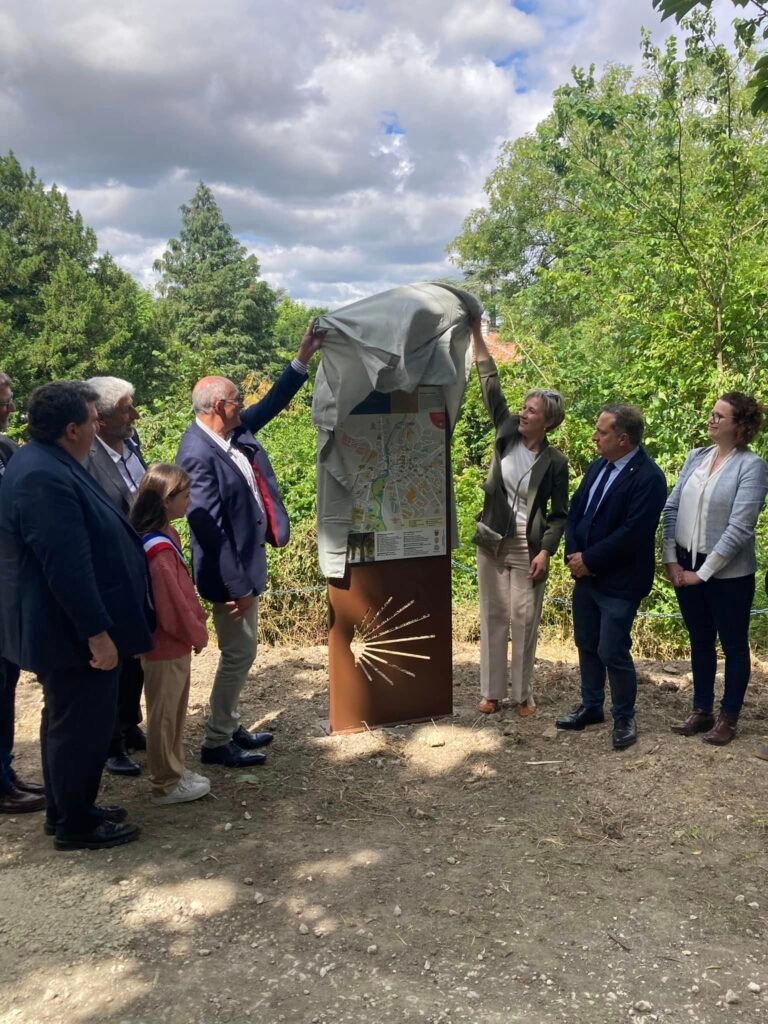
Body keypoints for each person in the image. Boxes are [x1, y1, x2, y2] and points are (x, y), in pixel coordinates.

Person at [0, 382, 154, 849]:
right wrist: (97, 634)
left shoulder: (48, 460)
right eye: (91, 420)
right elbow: (65, 566)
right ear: (72, 429)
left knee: (69, 721)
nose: (97, 427)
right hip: (69, 633)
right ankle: (75, 823)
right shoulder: (42, 475)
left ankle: (68, 807)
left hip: (66, 629)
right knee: (79, 725)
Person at [176, 323, 322, 767]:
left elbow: (273, 402)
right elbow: (208, 529)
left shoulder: (230, 432)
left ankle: (230, 722)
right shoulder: (196, 453)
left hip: (244, 567)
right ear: (220, 406)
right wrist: (237, 586)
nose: (243, 405)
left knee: (244, 651)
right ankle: (217, 742)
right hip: (229, 576)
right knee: (239, 653)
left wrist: (304, 356)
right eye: (237, 400)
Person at [470, 322, 568, 716]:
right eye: (524, 408)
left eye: (533, 411)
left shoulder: (555, 462)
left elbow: (560, 516)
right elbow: (490, 385)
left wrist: (546, 552)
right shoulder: (506, 431)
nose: (524, 413)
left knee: (524, 619)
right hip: (493, 539)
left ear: (548, 422)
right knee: (494, 614)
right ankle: (492, 693)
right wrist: (478, 337)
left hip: (529, 547)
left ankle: (523, 694)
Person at [556, 405, 666, 750]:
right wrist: (574, 555)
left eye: (602, 432)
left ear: (623, 439)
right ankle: (591, 706)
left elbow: (634, 532)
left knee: (612, 649)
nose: (595, 437)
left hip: (619, 580)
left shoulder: (648, 477)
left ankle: (623, 717)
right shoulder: (597, 467)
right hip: (585, 575)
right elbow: (575, 511)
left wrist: (591, 559)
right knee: (586, 643)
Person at [663, 393, 768, 745]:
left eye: (719, 416)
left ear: (740, 426)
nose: (711, 420)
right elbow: (671, 508)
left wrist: (703, 573)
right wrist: (671, 558)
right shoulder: (696, 457)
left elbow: (740, 528)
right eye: (711, 413)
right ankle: (701, 710)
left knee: (734, 645)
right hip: (685, 563)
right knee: (699, 639)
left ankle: (728, 716)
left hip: (728, 575)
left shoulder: (751, 467)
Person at [130, 464, 211, 804]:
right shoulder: (158, 549)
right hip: (165, 644)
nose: (190, 500)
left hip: (173, 643)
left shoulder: (165, 537)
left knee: (175, 710)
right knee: (164, 713)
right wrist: (197, 633)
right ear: (166, 500)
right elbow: (172, 605)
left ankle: (175, 768)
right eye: (185, 494)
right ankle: (166, 781)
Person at [85, 376, 148, 776]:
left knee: (137, 652)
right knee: (116, 659)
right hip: (109, 571)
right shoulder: (87, 459)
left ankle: (129, 724)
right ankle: (111, 744)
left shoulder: (132, 443)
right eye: (126, 410)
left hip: (139, 565)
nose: (134, 415)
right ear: (101, 420)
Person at [0, 371, 46, 813]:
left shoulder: (8, 450)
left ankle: (6, 772)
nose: (10, 408)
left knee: (6, 685)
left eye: (10, 399)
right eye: (2, 401)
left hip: (10, 595)